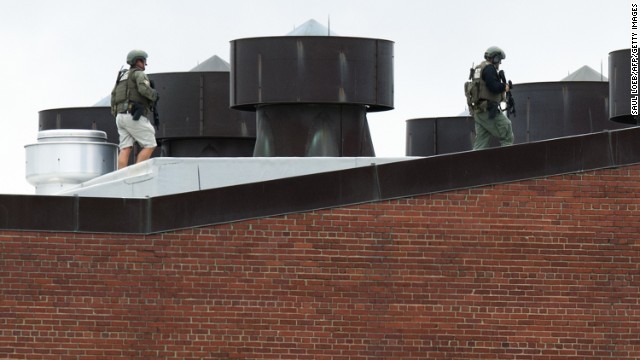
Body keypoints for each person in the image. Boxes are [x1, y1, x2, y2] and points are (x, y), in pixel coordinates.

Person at [110, 49, 159, 169]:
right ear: (138, 61)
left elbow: (113, 95)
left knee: (125, 148)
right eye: (144, 61)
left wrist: (116, 114)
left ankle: (121, 178)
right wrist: (154, 95)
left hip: (120, 117)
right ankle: (136, 174)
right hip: (132, 115)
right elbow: (144, 90)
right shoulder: (139, 74)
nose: (145, 64)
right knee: (150, 144)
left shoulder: (122, 76)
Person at [471, 46, 514, 150]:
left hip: (478, 111)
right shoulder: (489, 68)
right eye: (499, 59)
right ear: (495, 58)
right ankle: (506, 163)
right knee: (507, 131)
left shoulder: (479, 68)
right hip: (488, 110)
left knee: (481, 143)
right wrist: (505, 87)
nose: (500, 63)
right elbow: (493, 86)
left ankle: (474, 165)